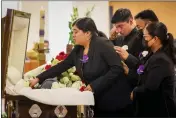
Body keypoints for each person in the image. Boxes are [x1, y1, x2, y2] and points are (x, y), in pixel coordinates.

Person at [29, 17, 124, 117]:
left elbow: (117, 68)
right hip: (97, 100)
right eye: (72, 32)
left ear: (87, 33)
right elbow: (62, 66)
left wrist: (94, 85)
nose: (73, 35)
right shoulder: (78, 50)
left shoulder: (102, 44)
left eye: (76, 32)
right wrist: (38, 78)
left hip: (113, 100)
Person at [131, 22, 176, 117]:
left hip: (160, 111)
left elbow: (150, 87)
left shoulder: (161, 59)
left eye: (145, 36)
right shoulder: (154, 55)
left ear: (155, 39)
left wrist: (135, 92)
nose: (143, 39)